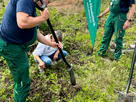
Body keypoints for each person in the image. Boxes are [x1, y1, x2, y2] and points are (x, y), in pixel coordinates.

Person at [0, 0, 62, 101]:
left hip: (18, 46)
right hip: (11, 46)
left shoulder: (31, 8)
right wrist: (42, 18)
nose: (46, 5)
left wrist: (51, 44)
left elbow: (36, 34)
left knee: (22, 78)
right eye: (48, 1)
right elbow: (22, 22)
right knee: (22, 82)